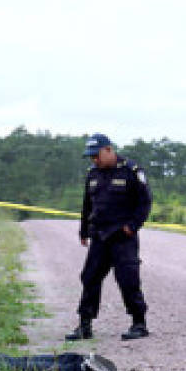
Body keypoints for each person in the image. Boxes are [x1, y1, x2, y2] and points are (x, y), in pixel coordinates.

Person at [65, 132, 153, 342]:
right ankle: (85, 325)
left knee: (128, 279)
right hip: (100, 236)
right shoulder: (93, 174)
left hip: (122, 236)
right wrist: (84, 230)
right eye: (91, 157)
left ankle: (139, 323)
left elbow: (145, 202)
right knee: (90, 278)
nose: (94, 160)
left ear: (109, 150)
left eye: (97, 155)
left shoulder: (131, 171)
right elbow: (87, 205)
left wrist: (133, 226)